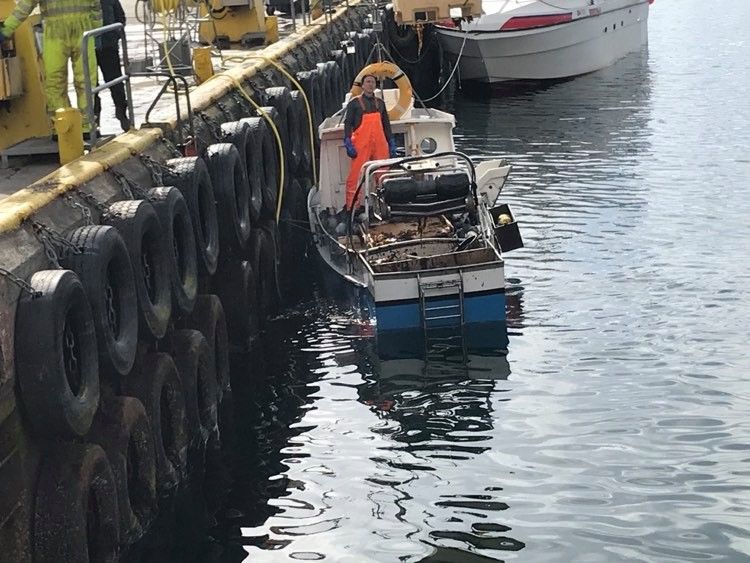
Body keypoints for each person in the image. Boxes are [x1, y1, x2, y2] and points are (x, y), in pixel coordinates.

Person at [0, 0, 102, 135]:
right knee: (58, 80)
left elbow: (25, 6)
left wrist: (6, 30)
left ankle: (83, 125)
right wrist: (97, 29)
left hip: (66, 32)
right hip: (69, 31)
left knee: (81, 80)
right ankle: (64, 124)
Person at [342, 74, 398, 213]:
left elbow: (386, 125)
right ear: (362, 85)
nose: (370, 84)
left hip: (380, 144)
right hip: (361, 145)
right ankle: (353, 209)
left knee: (384, 176)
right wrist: (347, 141)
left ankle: (387, 207)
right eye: (367, 82)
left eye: (372, 82)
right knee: (355, 177)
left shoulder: (381, 103)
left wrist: (391, 142)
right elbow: (348, 124)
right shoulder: (354, 103)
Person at [94, 0, 129, 131]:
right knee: (90, 85)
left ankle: (122, 113)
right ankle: (94, 119)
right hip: (88, 48)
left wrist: (115, 35)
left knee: (115, 82)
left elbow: (120, 17)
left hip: (108, 46)